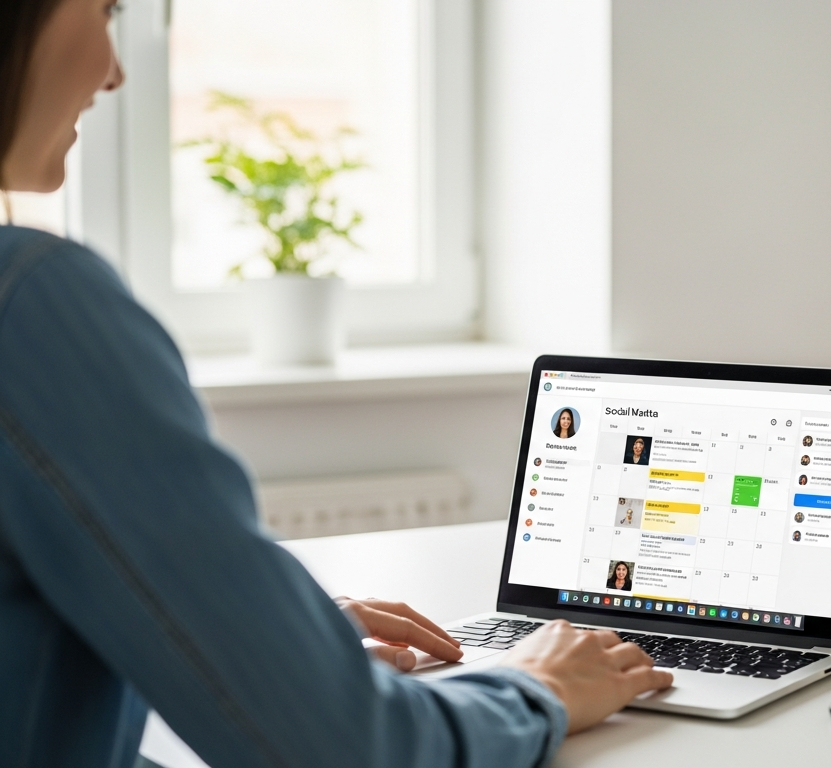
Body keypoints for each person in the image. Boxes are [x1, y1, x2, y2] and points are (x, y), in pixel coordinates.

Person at [0, 2, 670, 766]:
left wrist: (262, 637)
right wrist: (538, 689)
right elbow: (347, 750)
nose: (115, 71)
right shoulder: (30, 301)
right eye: (107, 11)